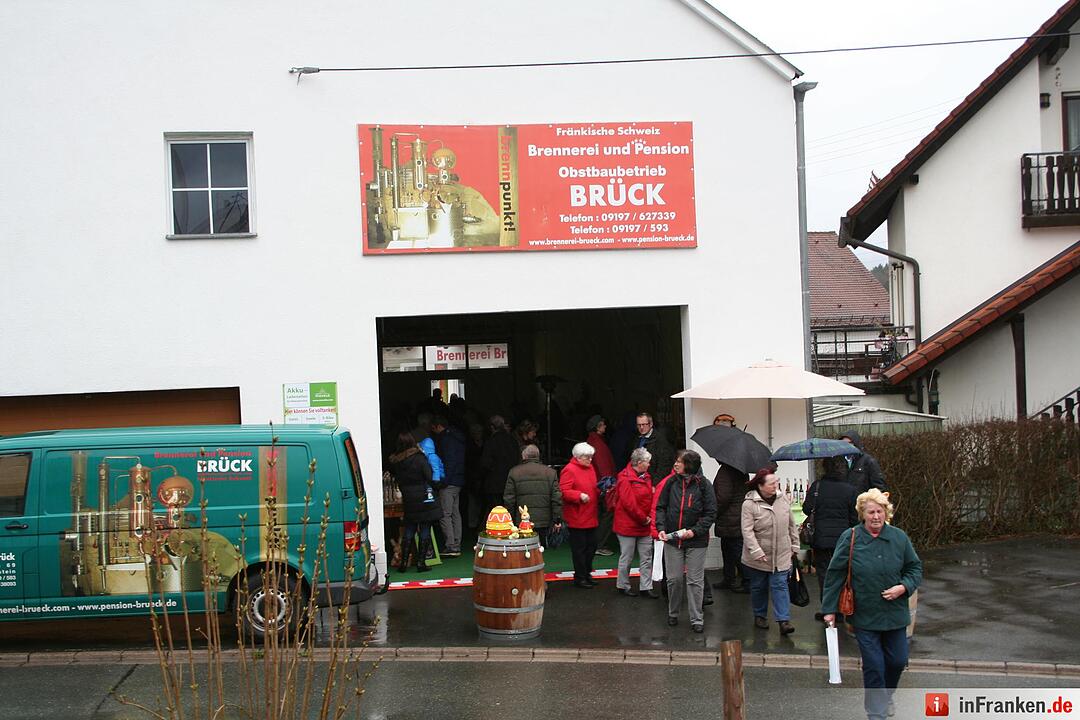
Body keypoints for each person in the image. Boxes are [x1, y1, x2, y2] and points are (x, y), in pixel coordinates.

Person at [823, 489, 922, 720]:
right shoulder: (850, 537)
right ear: (862, 514)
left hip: (894, 614)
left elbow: (914, 568)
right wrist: (829, 609)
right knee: (874, 665)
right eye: (871, 512)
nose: (875, 516)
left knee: (898, 661)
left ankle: (885, 697)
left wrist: (904, 586)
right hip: (864, 614)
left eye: (879, 511)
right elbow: (835, 573)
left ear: (886, 513)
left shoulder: (899, 537)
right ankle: (876, 713)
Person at [655, 450, 716, 633]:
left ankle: (697, 619)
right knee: (673, 579)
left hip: (696, 541)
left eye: (679, 462)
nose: (675, 464)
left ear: (689, 465)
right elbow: (661, 507)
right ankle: (673, 613)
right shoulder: (671, 483)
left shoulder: (704, 485)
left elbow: (710, 513)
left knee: (695, 581)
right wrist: (661, 528)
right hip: (673, 540)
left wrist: (694, 531)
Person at [741, 467, 799, 635]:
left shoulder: (783, 499)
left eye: (776, 482)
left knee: (780, 585)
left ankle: (784, 620)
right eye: (772, 483)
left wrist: (795, 545)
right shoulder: (749, 504)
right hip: (758, 557)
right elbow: (747, 530)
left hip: (781, 553)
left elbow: (791, 524)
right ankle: (759, 615)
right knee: (759, 586)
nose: (776, 485)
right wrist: (756, 551)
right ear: (760, 485)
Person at [802, 455, 860, 606]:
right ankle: (842, 607)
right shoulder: (850, 490)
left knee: (824, 573)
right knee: (842, 573)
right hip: (843, 539)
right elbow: (855, 518)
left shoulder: (817, 486)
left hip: (821, 538)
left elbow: (807, 509)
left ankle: (828, 609)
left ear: (825, 468)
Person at [388, 432, 442, 573]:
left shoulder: (397, 462)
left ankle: (403, 563)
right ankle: (421, 562)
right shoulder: (419, 458)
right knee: (425, 528)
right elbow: (429, 476)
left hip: (408, 498)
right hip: (424, 497)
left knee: (409, 528)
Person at [611, 447, 656, 598]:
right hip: (628, 525)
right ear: (639, 462)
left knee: (646, 557)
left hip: (643, 523)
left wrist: (648, 516)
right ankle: (623, 585)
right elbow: (628, 504)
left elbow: (650, 499)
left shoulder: (646, 476)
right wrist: (644, 518)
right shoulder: (624, 478)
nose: (649, 464)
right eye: (647, 462)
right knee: (627, 557)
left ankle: (646, 587)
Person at [559, 442, 599, 589]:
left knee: (592, 546)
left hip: (591, 514)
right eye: (587, 457)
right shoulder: (569, 470)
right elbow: (563, 491)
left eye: (591, 457)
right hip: (577, 516)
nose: (590, 460)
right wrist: (579, 495)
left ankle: (587, 573)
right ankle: (580, 576)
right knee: (580, 549)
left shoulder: (590, 468)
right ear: (578, 457)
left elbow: (593, 487)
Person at [504, 444, 562, 541]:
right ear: (538, 456)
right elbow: (556, 498)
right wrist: (557, 519)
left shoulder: (514, 472)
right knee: (540, 550)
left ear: (523, 456)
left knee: (523, 549)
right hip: (544, 521)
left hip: (522, 521)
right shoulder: (551, 473)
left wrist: (510, 519)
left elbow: (509, 499)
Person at [712, 463, 751, 593]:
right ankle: (730, 578)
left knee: (734, 551)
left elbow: (723, 497)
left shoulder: (725, 472)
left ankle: (747, 581)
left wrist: (713, 512)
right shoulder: (741, 470)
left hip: (729, 517)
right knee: (730, 549)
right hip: (739, 515)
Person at [432, 415, 466, 558]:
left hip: (449, 481)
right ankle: (456, 542)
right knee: (455, 513)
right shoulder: (457, 437)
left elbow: (449, 462)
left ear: (438, 426)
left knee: (445, 514)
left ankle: (451, 545)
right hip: (458, 479)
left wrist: (443, 481)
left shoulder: (446, 440)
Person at [586, 414, 618, 556]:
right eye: (603, 424)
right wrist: (609, 486)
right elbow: (604, 467)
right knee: (607, 514)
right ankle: (599, 544)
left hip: (597, 485)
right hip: (603, 486)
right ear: (598, 427)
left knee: (600, 515)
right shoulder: (598, 444)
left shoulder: (593, 441)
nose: (605, 426)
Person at [480, 415, 520, 515]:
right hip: (511, 481)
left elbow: (485, 463)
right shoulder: (513, 440)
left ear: (492, 427)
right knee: (509, 512)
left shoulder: (490, 441)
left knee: (496, 514)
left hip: (494, 484)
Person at [635, 412, 674, 485]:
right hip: (640, 481)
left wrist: (655, 484)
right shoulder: (637, 439)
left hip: (653, 483)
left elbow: (664, 465)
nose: (641, 427)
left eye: (644, 424)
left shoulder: (660, 440)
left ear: (651, 424)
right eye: (639, 425)